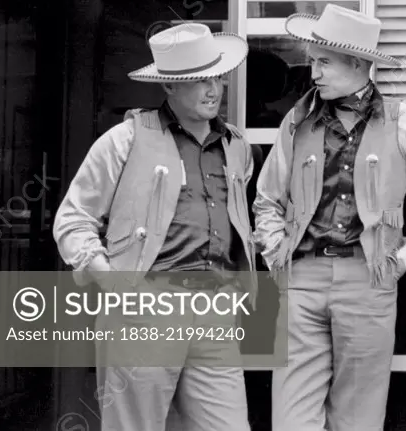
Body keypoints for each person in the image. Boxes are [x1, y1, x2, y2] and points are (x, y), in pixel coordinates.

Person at [252, 4, 406, 431]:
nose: (314, 73)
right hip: (301, 277)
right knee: (291, 420)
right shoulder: (297, 121)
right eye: (313, 62)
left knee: (359, 419)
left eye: (323, 62)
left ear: (358, 63)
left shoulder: (405, 123)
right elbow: (266, 201)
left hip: (369, 279)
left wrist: (403, 259)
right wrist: (277, 255)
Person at [53, 22, 256, 431]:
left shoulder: (237, 146)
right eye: (199, 80)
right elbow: (73, 220)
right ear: (169, 87)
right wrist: (114, 283)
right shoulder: (124, 139)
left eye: (217, 75)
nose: (213, 88)